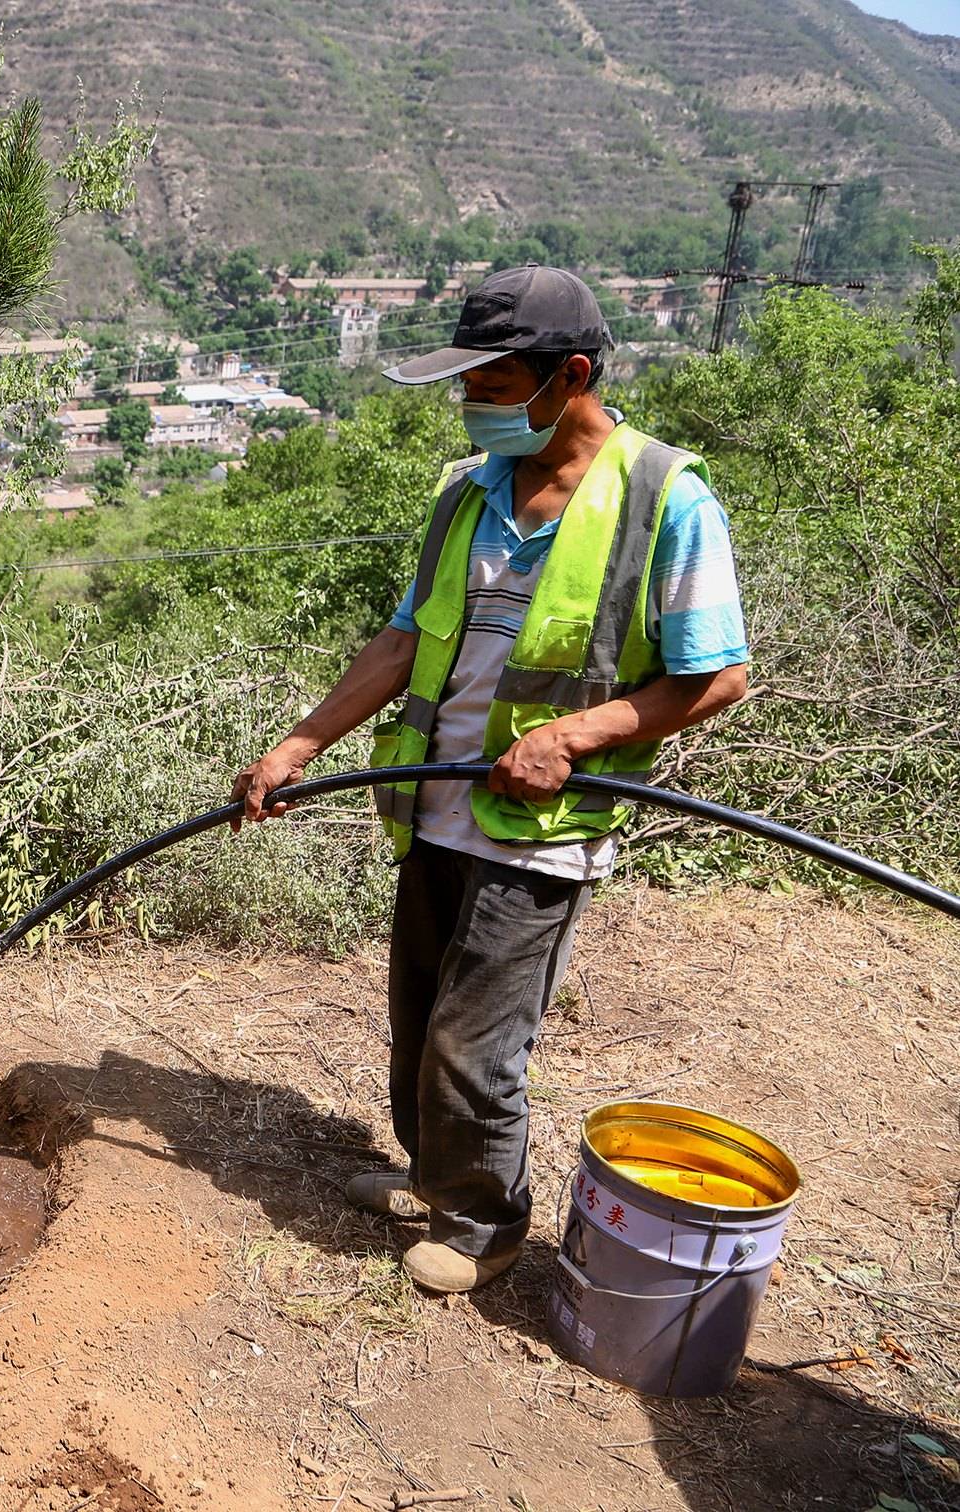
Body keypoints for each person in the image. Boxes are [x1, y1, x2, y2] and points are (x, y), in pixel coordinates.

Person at [230, 266, 751, 1294]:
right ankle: (434, 1174)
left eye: (498, 381)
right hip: (435, 805)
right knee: (421, 1015)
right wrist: (301, 744)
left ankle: (484, 1226)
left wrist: (577, 734)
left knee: (476, 1042)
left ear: (575, 375)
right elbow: (399, 642)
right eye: (469, 382)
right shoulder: (468, 493)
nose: (477, 403)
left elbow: (718, 673)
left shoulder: (666, 501)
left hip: (542, 825)